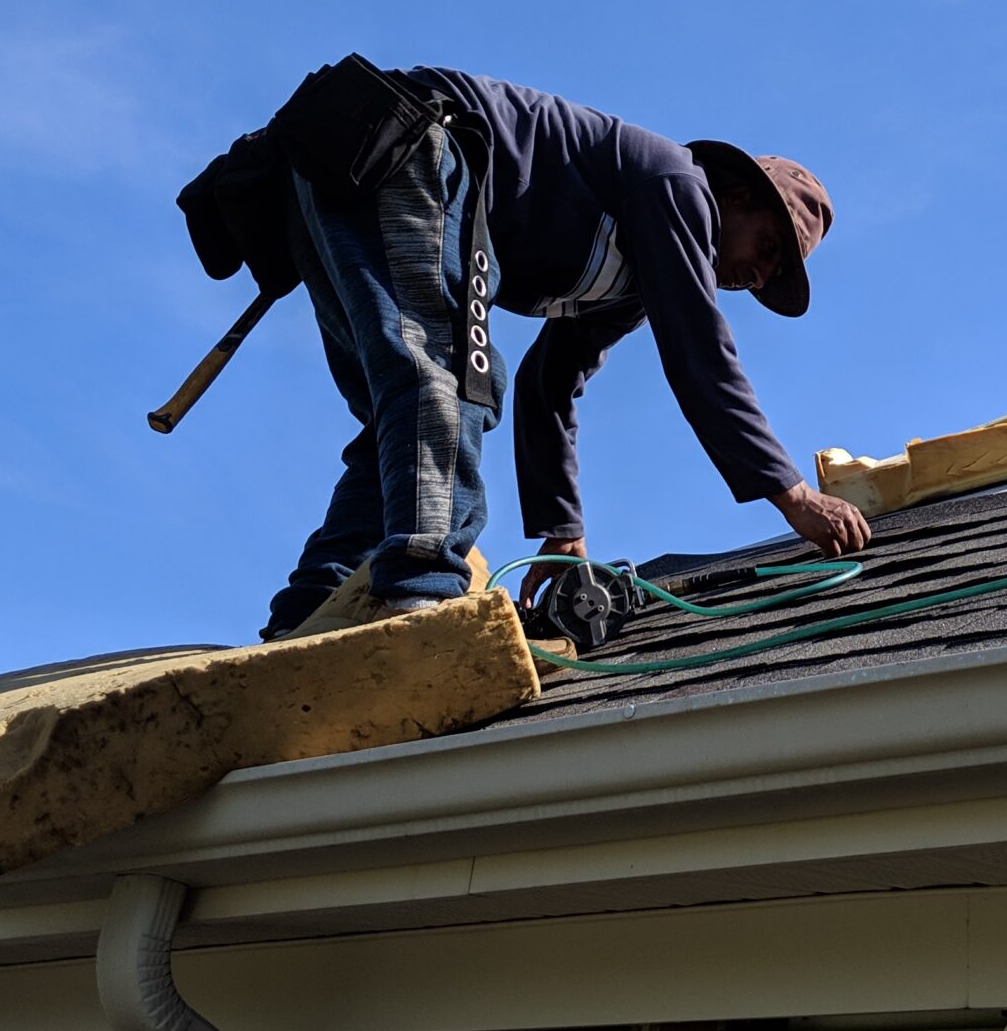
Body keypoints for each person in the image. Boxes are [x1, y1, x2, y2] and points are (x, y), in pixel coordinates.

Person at [256, 66, 869, 641]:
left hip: (336, 166)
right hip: (405, 142)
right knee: (443, 379)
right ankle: (421, 603)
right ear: (735, 196)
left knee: (403, 415)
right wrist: (794, 495)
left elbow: (549, 382)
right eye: (767, 247)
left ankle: (311, 614)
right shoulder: (679, 187)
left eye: (771, 275)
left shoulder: (632, 277)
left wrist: (562, 529)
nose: (757, 277)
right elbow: (700, 354)